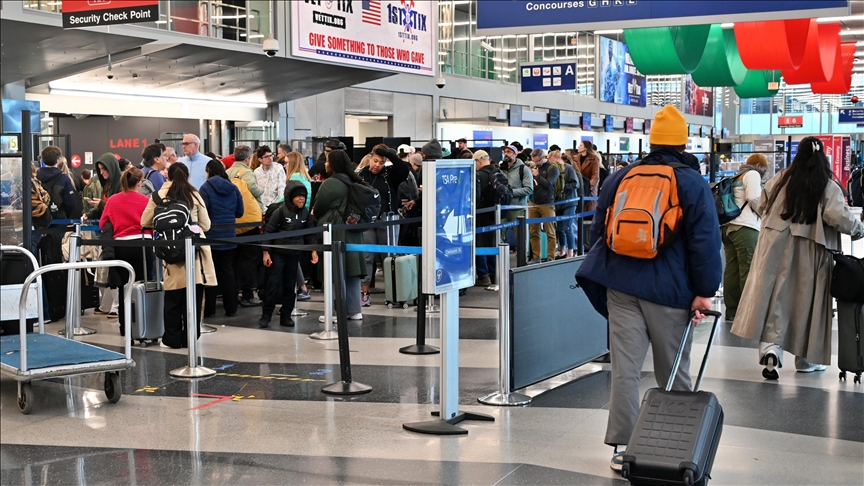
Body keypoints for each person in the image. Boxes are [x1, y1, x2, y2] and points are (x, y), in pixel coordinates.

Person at [575, 105, 722, 472]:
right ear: (684, 141)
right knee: (673, 371)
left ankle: (624, 449)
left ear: (652, 141)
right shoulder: (690, 182)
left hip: (621, 287)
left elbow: (599, 234)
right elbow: (704, 241)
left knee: (624, 369)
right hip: (671, 293)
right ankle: (674, 447)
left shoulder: (621, 177)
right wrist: (705, 290)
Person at [731, 137, 864, 379]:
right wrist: (859, 229)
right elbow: (839, 217)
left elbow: (761, 205)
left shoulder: (780, 179)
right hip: (810, 247)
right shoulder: (826, 185)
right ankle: (806, 358)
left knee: (775, 296)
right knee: (807, 300)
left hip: (773, 244)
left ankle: (771, 350)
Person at [141, 163, 217, 349]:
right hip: (194, 252)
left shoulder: (158, 196)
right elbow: (206, 225)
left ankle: (171, 339)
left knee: (173, 298)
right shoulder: (194, 194)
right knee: (194, 295)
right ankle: (190, 337)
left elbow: (145, 221)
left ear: (168, 176)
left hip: (170, 250)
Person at [312, 149, 367, 321]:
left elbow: (319, 206)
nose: (325, 164)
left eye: (327, 161)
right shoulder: (353, 179)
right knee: (352, 272)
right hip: (354, 231)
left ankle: (334, 312)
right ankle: (354, 310)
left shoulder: (330, 183)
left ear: (334, 164)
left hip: (336, 231)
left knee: (334, 270)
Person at [99, 167, 153, 336]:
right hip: (143, 246)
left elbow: (103, 223)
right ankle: (144, 326)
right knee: (143, 286)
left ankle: (125, 327)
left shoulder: (113, 200)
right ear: (139, 183)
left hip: (120, 247)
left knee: (124, 289)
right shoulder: (146, 201)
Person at [260, 182, 319, 328]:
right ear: (291, 197)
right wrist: (266, 252)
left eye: (303, 197)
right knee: (272, 285)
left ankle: (286, 315)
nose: (302, 199)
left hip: (294, 254)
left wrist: (313, 250)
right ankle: (266, 315)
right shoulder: (280, 212)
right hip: (278, 254)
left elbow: (310, 233)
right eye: (298, 196)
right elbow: (269, 231)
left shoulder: (305, 213)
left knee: (290, 285)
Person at [358, 145, 410, 306]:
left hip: (387, 218)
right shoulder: (361, 174)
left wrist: (388, 154)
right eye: (375, 161)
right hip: (367, 221)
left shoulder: (389, 175)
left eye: (381, 162)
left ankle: (393, 293)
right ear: (370, 159)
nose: (377, 165)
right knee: (367, 256)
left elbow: (403, 169)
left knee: (389, 256)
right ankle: (364, 293)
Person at [721, 153, 766, 324]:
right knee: (747, 270)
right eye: (764, 169)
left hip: (728, 228)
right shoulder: (753, 174)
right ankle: (748, 314)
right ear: (758, 165)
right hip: (745, 228)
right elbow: (755, 198)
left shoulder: (737, 175)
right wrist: (766, 213)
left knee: (731, 270)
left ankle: (732, 311)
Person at [200, 159, 244, 318]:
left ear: (210, 171)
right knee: (227, 271)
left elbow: (203, 214)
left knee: (210, 273)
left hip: (211, 236)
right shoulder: (234, 188)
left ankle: (210, 309)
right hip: (229, 236)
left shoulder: (205, 188)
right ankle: (231, 307)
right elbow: (240, 212)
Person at [227, 145, 265, 307]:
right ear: (248, 159)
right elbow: (254, 190)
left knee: (234, 260)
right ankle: (248, 294)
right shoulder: (246, 172)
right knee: (249, 258)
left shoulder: (228, 172)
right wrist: (261, 189)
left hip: (232, 222)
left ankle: (234, 291)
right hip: (249, 222)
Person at [283, 152, 314, 301]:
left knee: (292, 256)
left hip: (293, 220)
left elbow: (284, 198)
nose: (284, 165)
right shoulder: (305, 177)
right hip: (303, 219)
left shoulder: (294, 178)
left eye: (287, 162)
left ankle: (302, 288)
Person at [499, 145, 534, 250]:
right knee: (498, 235)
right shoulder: (501, 169)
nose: (506, 154)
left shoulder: (524, 169)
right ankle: (498, 262)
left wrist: (510, 192)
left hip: (517, 208)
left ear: (515, 154)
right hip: (503, 207)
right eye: (505, 151)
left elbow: (529, 189)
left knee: (520, 237)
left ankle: (522, 261)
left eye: (509, 152)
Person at [527, 149, 559, 262]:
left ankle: (551, 257)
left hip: (547, 203)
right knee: (533, 232)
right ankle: (536, 256)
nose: (536, 163)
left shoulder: (553, 169)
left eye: (537, 161)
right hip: (533, 202)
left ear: (543, 158)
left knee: (550, 232)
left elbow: (549, 185)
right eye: (534, 161)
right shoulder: (534, 168)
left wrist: (537, 175)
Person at [474, 150, 498, 288]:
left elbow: (476, 196)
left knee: (480, 244)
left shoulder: (479, 175)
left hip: (480, 214)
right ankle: (494, 273)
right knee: (492, 243)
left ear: (479, 160)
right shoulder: (498, 172)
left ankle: (484, 276)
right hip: (495, 214)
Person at [552, 150, 580, 258]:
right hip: (559, 201)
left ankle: (571, 251)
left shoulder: (568, 168)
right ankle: (562, 250)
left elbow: (575, 184)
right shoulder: (554, 169)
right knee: (560, 227)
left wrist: (563, 187)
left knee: (567, 227)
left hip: (570, 201)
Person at [37, 146, 77, 220]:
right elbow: (71, 203)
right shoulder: (64, 178)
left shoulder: (35, 176)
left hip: (38, 218)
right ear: (58, 160)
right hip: (58, 219)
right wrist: (63, 215)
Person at [573, 141, 600, 212]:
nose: (578, 147)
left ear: (586, 148)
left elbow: (595, 176)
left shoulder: (594, 159)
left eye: (581, 145)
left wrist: (588, 187)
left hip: (589, 188)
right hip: (578, 188)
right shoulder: (576, 159)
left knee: (587, 210)